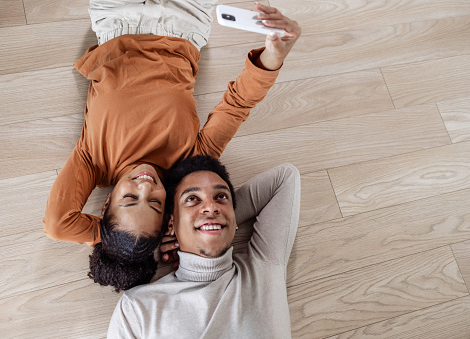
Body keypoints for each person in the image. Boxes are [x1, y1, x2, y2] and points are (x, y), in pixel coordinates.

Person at [43, 0, 301, 292]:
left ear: (107, 202)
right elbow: (236, 106)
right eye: (154, 202)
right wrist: (274, 56)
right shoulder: (189, 165)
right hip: (184, 24)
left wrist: (110, 237)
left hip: (116, 22)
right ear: (166, 209)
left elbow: (57, 224)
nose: (144, 185)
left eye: (129, 198)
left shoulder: (93, 161)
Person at [107, 155, 301, 338]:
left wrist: (219, 222)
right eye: (192, 199)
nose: (211, 206)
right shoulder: (136, 308)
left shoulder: (264, 265)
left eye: (221, 197)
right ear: (171, 223)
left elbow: (285, 177)